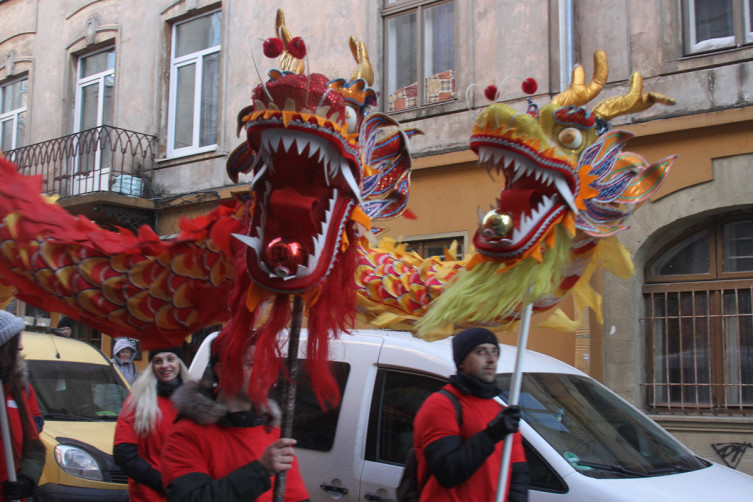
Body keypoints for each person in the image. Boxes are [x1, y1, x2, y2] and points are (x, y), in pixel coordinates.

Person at [161, 339, 309, 501]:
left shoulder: (272, 431)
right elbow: (192, 498)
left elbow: (296, 497)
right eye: (251, 364)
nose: (264, 373)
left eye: (268, 365)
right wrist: (260, 471)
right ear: (222, 371)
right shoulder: (186, 435)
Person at [411, 327, 529, 501]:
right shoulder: (441, 405)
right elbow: (447, 473)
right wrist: (491, 435)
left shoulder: (500, 411)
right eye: (481, 352)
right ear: (461, 361)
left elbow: (518, 474)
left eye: (495, 352)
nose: (491, 359)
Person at [113, 347, 188, 501]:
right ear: (152, 367)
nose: (165, 365)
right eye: (158, 361)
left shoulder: (195, 401)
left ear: (179, 363)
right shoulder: (137, 402)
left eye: (170, 359)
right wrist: (163, 483)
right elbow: (125, 455)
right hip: (149, 495)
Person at [0, 311, 45, 501]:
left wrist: (26, 481)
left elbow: (33, 448)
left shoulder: (18, 391)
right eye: (15, 340)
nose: (21, 346)